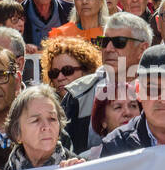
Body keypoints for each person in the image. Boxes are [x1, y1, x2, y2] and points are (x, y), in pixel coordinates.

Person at [62, 12, 152, 150]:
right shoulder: (79, 94)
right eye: (104, 42)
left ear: (142, 49)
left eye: (119, 42)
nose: (108, 49)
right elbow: (62, 150)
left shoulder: (160, 93)